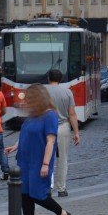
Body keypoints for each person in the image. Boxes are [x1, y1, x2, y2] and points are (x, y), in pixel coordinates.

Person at [5, 83, 71, 215]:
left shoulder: (50, 116)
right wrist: (15, 146)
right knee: (25, 193)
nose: (26, 102)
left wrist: (46, 164)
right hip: (25, 160)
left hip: (39, 161)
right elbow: (26, 135)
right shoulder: (32, 117)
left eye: (30, 99)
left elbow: (50, 141)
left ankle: (62, 214)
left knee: (38, 194)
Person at [46, 68, 80, 197]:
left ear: (48, 78)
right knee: (62, 159)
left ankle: (47, 187)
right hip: (63, 127)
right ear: (60, 79)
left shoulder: (43, 92)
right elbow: (72, 114)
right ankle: (61, 188)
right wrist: (76, 132)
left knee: (46, 158)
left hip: (46, 128)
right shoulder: (67, 92)